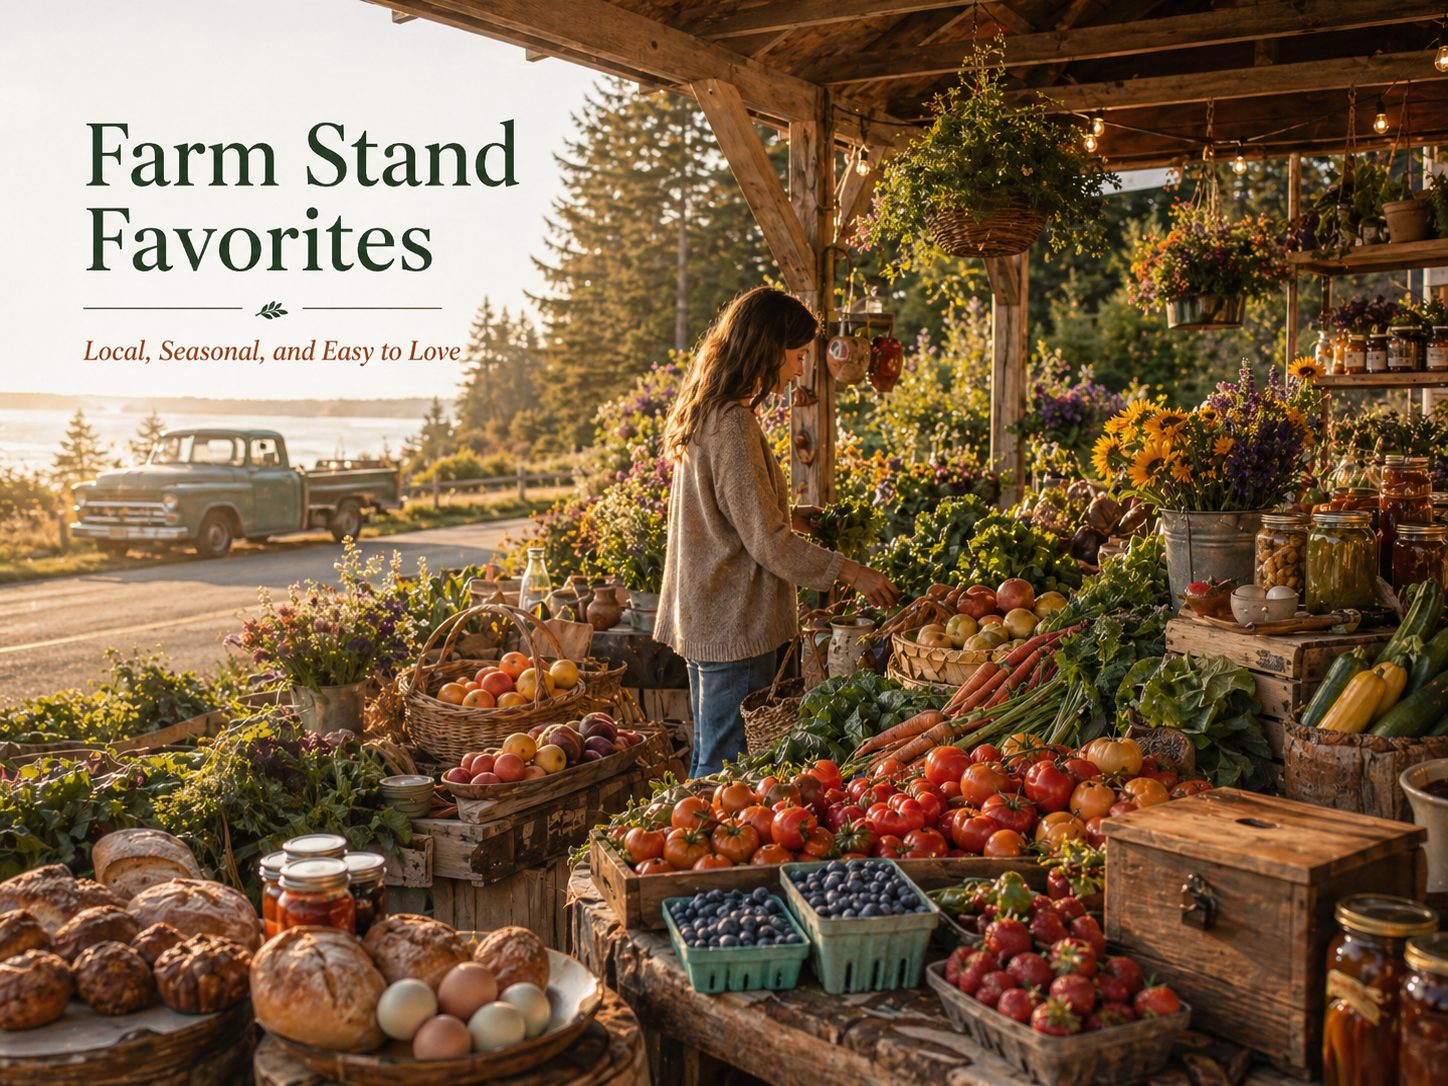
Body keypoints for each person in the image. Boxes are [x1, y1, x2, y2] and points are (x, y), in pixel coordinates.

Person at [654, 287, 901, 778]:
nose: (798, 369)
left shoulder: (707, 412)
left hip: (705, 615)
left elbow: (727, 513)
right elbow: (767, 544)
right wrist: (852, 573)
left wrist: (790, 513)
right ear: (768, 349)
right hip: (735, 620)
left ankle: (673, 849)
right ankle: (690, 851)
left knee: (706, 758)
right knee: (724, 773)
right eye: (797, 354)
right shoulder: (734, 425)